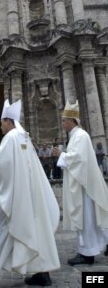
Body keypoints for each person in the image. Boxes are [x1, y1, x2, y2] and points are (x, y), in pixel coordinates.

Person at [0, 99, 60, 286]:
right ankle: (42, 272)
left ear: (8, 121)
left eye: (1, 123)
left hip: (12, 194)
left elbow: (2, 166)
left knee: (1, 230)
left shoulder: (10, 138)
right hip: (28, 193)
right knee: (32, 230)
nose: (0, 127)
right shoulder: (24, 136)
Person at [52, 100, 108, 266]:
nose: (62, 123)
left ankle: (87, 253)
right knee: (88, 219)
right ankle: (93, 247)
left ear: (71, 120)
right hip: (80, 184)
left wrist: (61, 155)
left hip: (84, 187)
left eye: (64, 120)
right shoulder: (75, 136)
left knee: (86, 219)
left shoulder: (81, 136)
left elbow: (79, 159)